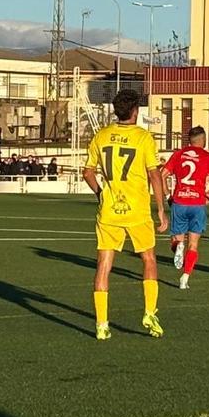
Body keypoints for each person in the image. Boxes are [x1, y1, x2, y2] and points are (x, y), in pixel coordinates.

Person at [81, 89, 168, 341]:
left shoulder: (101, 136)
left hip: (109, 212)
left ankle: (101, 324)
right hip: (138, 211)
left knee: (104, 265)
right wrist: (161, 209)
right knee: (149, 259)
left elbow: (87, 173)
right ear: (135, 112)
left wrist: (101, 194)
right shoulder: (143, 138)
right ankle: (150, 313)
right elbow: (154, 174)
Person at [162, 126, 209, 290]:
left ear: (189, 140)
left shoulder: (178, 154)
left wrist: (168, 196)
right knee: (193, 245)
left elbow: (162, 175)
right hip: (197, 204)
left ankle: (178, 246)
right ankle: (185, 278)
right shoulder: (208, 157)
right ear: (203, 140)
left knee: (177, 240)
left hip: (179, 202)